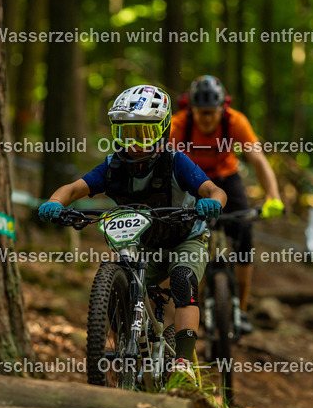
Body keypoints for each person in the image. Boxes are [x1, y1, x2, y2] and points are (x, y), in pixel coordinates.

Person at [38, 84, 227, 379]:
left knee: (182, 280)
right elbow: (74, 188)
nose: (134, 143)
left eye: (144, 133)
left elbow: (213, 189)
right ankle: (130, 350)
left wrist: (212, 204)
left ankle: (183, 364)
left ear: (162, 131)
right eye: (127, 133)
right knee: (118, 288)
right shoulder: (113, 167)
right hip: (144, 243)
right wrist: (54, 202)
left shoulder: (175, 161)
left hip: (186, 236)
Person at [170, 75, 284, 334]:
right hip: (192, 180)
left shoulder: (235, 122)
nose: (208, 119)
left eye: (212, 112)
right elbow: (166, 165)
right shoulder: (178, 125)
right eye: (202, 113)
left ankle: (240, 309)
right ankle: (190, 309)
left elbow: (258, 160)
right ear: (191, 109)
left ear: (223, 108)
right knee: (186, 238)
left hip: (226, 180)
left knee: (244, 231)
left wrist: (273, 196)